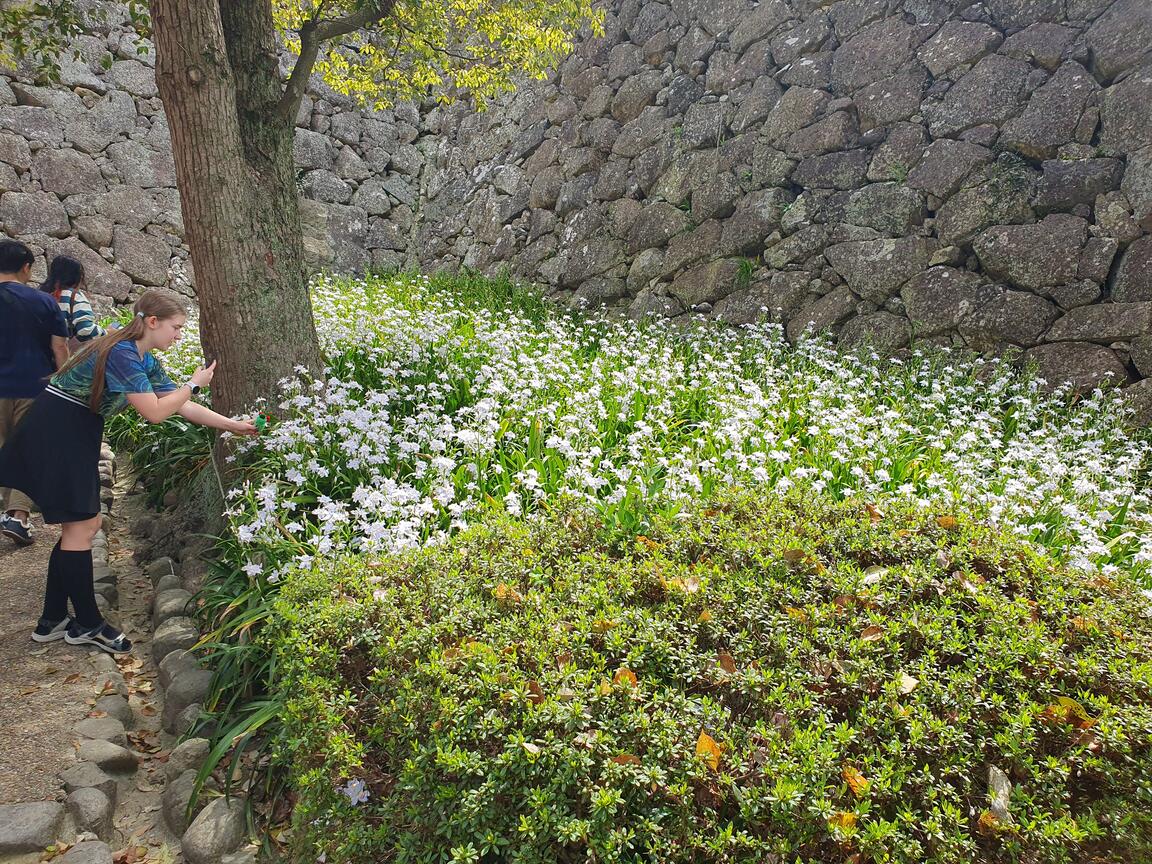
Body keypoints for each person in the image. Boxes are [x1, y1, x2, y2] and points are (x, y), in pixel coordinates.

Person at [0, 289, 257, 653]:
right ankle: (87, 624)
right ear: (152, 322)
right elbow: (154, 412)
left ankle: (53, 619)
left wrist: (232, 425)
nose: (179, 335)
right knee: (83, 526)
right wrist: (193, 385)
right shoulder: (122, 353)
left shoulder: (142, 357)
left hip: (73, 429)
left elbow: (180, 407)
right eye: (176, 327)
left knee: (80, 525)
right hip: (58, 431)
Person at [0, 240, 69, 547]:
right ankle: (17, 516)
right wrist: (65, 384)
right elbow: (59, 347)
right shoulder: (44, 302)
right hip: (33, 385)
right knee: (27, 451)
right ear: (26, 267)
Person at [41, 255, 106, 349]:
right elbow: (85, 330)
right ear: (77, 277)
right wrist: (108, 332)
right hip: (63, 355)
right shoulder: (74, 297)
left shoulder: (41, 294)